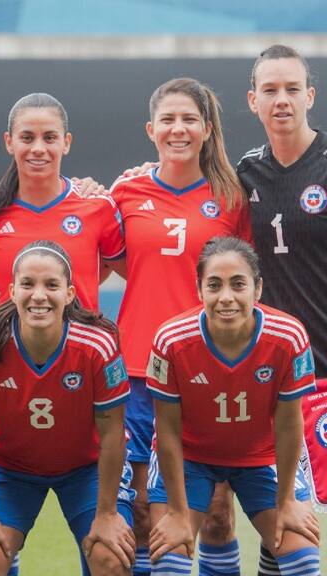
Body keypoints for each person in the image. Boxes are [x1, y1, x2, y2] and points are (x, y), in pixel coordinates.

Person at [107, 77, 250, 576]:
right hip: (140, 370)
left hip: (210, 372)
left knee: (214, 514)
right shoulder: (125, 191)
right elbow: (117, 263)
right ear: (151, 129)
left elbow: (248, 281)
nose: (178, 129)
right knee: (144, 510)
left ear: (207, 129)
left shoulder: (232, 197)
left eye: (189, 119)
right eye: (168, 119)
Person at [0, 240, 134, 576]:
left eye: (51, 285)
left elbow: (113, 435)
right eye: (28, 284)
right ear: (11, 291)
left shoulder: (96, 346)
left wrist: (107, 514)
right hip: (11, 468)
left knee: (111, 558)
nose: (39, 295)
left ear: (69, 293)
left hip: (86, 469)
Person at [146, 236, 321, 576]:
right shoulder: (171, 340)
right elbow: (166, 429)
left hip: (262, 456)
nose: (226, 297)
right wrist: (179, 513)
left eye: (237, 284)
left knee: (301, 554)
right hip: (190, 458)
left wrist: (286, 502)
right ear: (199, 290)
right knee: (170, 554)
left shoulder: (288, 337)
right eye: (214, 285)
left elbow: (288, 425)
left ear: (257, 290)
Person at [238, 45, 327, 532]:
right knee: (286, 522)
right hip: (278, 380)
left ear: (310, 95)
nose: (282, 100)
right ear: (252, 100)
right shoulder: (243, 172)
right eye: (269, 90)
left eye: (292, 88)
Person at [0, 93, 124, 312]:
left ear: (66, 142)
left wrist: (152, 172)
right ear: (9, 142)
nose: (38, 148)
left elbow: (138, 274)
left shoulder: (96, 205)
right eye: (27, 137)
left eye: (50, 137)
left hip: (81, 345)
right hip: (8, 345)